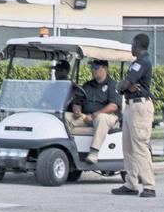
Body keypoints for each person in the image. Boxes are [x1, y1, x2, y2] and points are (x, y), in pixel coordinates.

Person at [112, 33, 156, 198]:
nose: (131, 47)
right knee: (128, 146)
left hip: (139, 107)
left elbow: (126, 83)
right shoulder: (138, 63)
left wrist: (122, 85)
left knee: (139, 146)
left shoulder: (141, 63)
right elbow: (126, 85)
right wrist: (125, 86)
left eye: (132, 44)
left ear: (136, 45)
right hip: (131, 105)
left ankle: (149, 186)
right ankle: (131, 184)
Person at [62, 59, 120, 163]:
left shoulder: (113, 85)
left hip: (108, 118)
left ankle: (94, 152)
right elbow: (77, 101)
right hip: (86, 117)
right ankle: (65, 149)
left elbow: (113, 106)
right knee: (65, 116)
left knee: (101, 118)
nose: (93, 70)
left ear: (105, 69)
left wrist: (94, 115)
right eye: (92, 68)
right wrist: (77, 108)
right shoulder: (87, 85)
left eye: (96, 68)